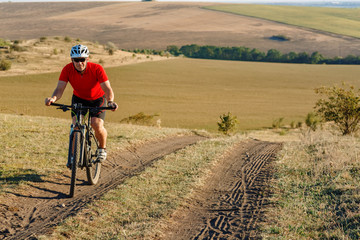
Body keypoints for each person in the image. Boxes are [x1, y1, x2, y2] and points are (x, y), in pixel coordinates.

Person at [45, 44, 118, 165]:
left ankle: (102, 149)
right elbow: (60, 88)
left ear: (87, 59)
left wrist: (110, 101)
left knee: (96, 124)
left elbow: (107, 88)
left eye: (82, 59)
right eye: (76, 60)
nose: (80, 63)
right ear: (72, 60)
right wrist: (53, 98)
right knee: (76, 126)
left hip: (97, 99)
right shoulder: (67, 69)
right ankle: (74, 157)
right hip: (79, 99)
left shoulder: (97, 69)